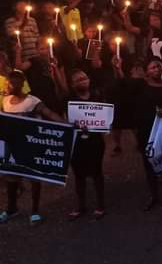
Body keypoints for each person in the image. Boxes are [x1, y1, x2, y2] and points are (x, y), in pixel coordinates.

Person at [114, 56, 162, 210]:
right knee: (150, 163)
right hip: (149, 132)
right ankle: (153, 194)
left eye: (159, 66)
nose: (157, 70)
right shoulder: (140, 86)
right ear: (146, 71)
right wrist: (118, 68)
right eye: (153, 67)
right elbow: (123, 83)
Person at [0, 69, 64, 225]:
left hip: (30, 145)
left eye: (12, 83)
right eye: (9, 82)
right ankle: (11, 208)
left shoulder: (32, 101)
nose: (9, 86)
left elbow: (49, 113)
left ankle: (35, 211)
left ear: (21, 84)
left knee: (34, 177)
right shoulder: (6, 101)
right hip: (12, 146)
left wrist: (67, 125)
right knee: (11, 178)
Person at [65, 69, 106, 220]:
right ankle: (81, 206)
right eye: (78, 80)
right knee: (79, 175)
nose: (82, 81)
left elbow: (105, 116)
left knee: (96, 173)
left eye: (84, 78)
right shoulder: (68, 100)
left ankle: (100, 205)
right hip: (76, 142)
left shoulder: (97, 96)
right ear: (72, 84)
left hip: (95, 141)